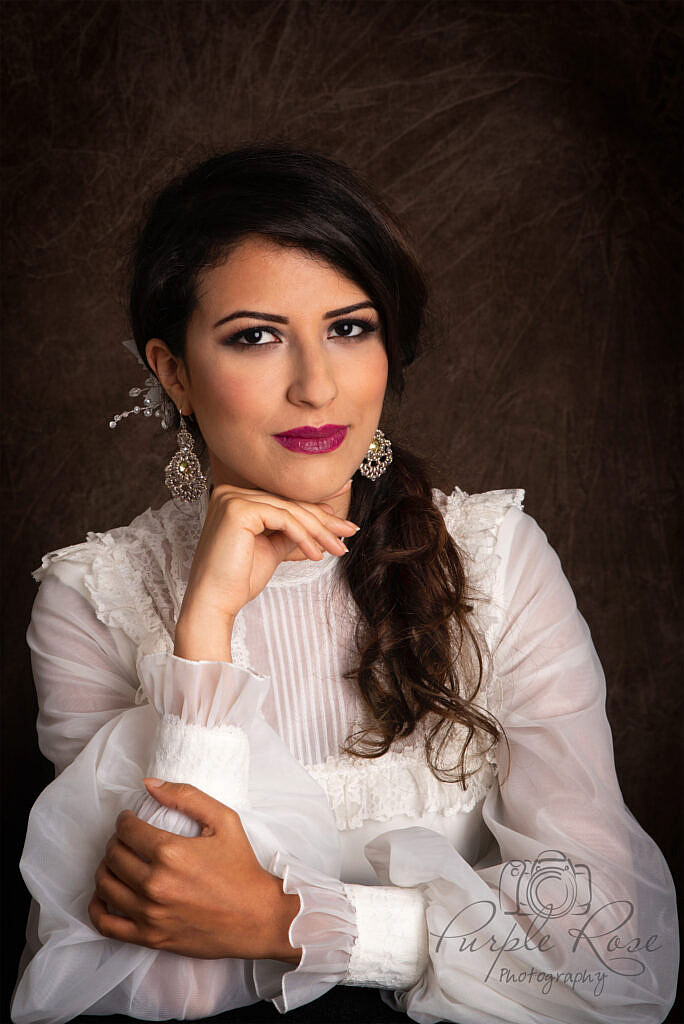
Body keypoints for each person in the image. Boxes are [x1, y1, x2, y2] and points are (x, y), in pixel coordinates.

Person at [11, 144, 678, 1024]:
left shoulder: (494, 556)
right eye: (256, 337)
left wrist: (287, 922)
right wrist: (205, 631)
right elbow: (142, 969)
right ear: (172, 371)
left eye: (349, 328)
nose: (317, 386)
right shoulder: (92, 597)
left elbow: (613, 956)